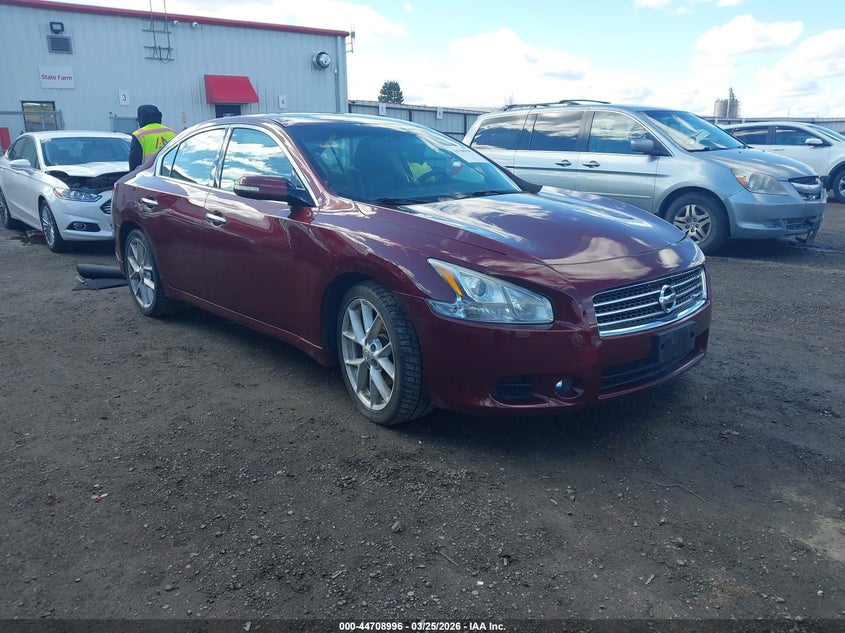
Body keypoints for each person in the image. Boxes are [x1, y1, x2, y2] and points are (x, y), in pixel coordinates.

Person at [128, 104, 176, 170]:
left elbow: (134, 162)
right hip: (171, 174)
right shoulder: (172, 133)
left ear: (141, 118)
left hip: (149, 175)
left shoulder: (139, 135)